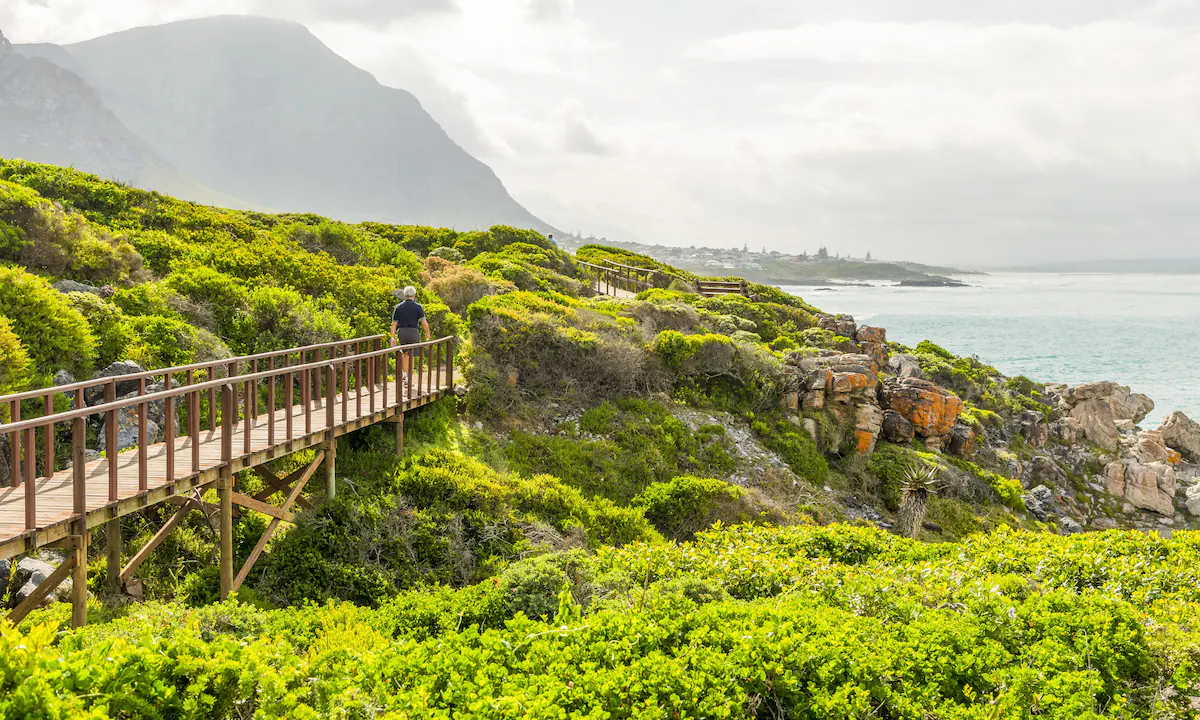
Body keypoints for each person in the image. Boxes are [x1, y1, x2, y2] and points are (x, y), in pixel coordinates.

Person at [391, 286, 431, 383]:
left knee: (405, 354)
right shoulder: (418, 307)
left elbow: (394, 324)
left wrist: (392, 337)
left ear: (405, 295)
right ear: (414, 295)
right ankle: (409, 378)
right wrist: (427, 334)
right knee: (411, 355)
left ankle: (405, 374)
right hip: (413, 332)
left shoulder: (399, 307)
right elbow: (424, 322)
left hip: (402, 332)